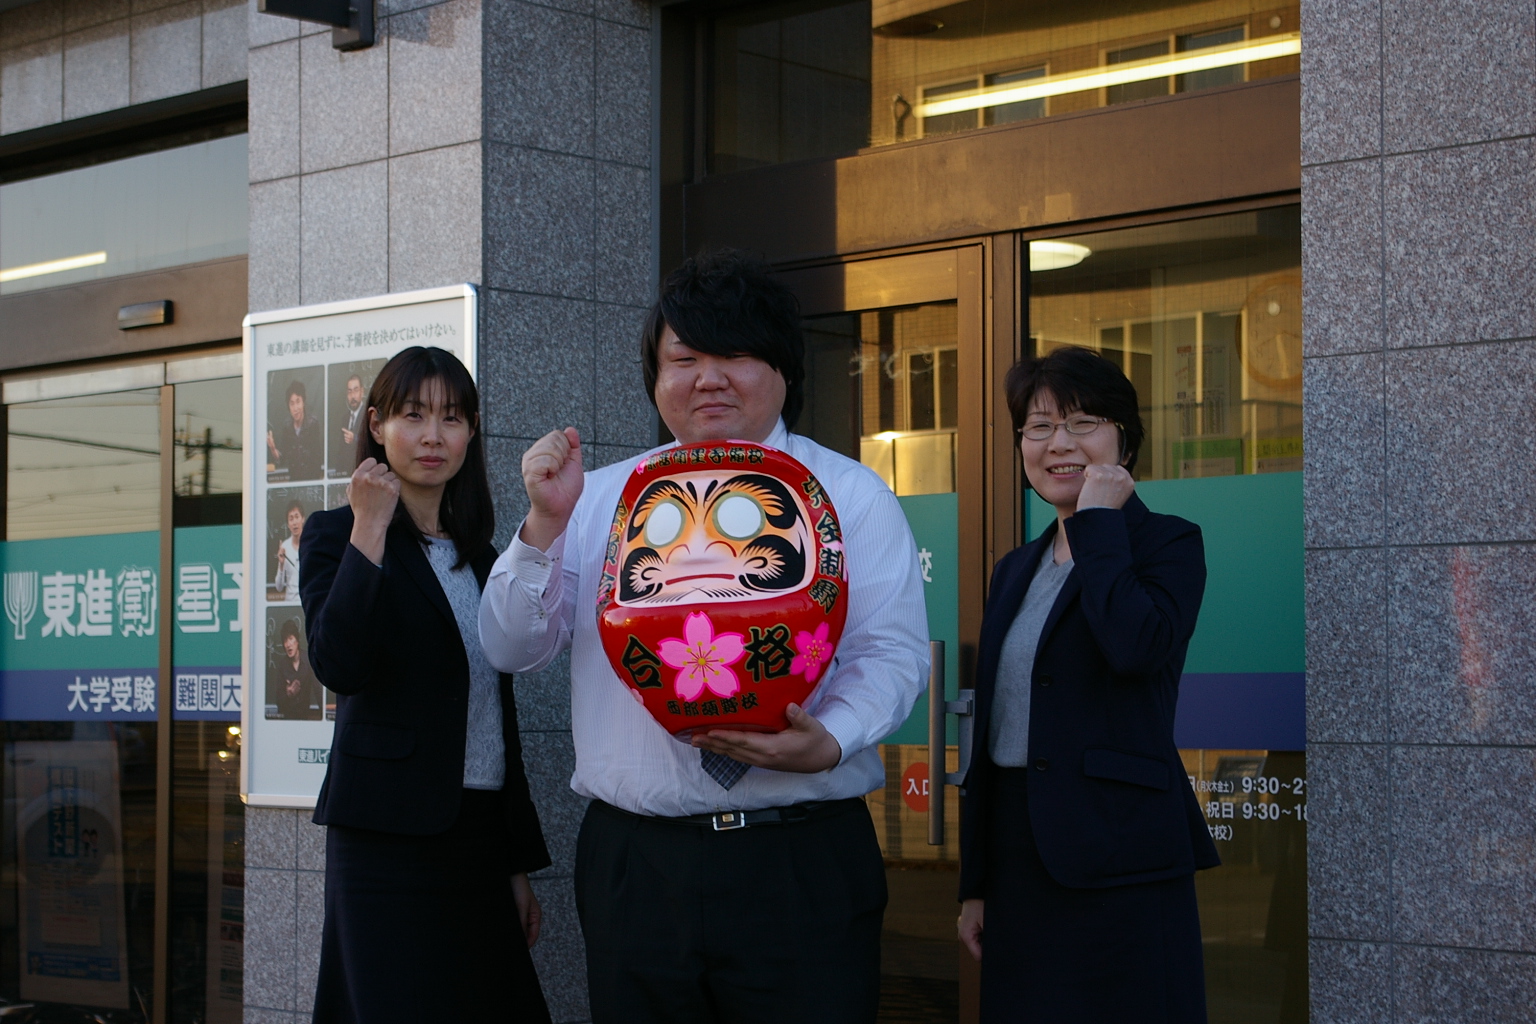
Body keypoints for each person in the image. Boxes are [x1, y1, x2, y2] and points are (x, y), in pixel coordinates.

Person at [480, 249, 929, 1024]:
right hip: (637, 864)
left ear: (783, 370)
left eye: (735, 355)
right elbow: (511, 647)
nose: (708, 379)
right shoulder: (600, 500)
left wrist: (832, 739)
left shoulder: (852, 494)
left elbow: (890, 652)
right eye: (684, 359)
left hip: (800, 856)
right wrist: (545, 525)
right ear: (656, 379)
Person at [955, 345, 1218, 1023]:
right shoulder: (1015, 568)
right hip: (1019, 859)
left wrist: (1099, 522)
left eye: (1082, 423)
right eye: (1039, 427)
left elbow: (1136, 648)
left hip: (1119, 855)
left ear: (1124, 439)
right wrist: (976, 881)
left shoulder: (1169, 543)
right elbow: (996, 729)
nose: (1058, 444)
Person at [299, 346, 552, 1023]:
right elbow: (337, 662)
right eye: (413, 415)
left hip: (478, 839)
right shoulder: (335, 535)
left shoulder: (484, 558)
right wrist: (370, 526)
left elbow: (496, 719)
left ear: (471, 432)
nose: (433, 436)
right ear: (377, 425)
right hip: (384, 842)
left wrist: (514, 862)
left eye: (451, 418)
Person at [268, 379, 323, 480]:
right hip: (294, 481)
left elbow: (318, 460)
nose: (295, 408)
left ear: (303, 402)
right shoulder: (287, 427)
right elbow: (281, 460)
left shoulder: (313, 424)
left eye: (298, 402)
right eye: (292, 403)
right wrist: (273, 448)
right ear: (288, 406)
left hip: (311, 480)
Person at [267, 618, 321, 720]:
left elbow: (318, 691)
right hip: (287, 719)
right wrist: (288, 694)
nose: (288, 644)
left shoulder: (308, 660)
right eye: (285, 641)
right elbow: (278, 701)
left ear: (297, 640)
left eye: (291, 638)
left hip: (305, 719)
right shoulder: (282, 665)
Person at [273, 500, 304, 601]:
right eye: (291, 519)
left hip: (307, 602)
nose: (294, 522)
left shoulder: (310, 545)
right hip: (290, 603)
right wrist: (281, 564)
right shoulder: (285, 547)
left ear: (303, 519)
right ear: (287, 524)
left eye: (297, 517)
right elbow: (279, 587)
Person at [339, 372, 366, 448]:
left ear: (362, 392)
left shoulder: (368, 415)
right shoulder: (344, 418)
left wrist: (354, 439)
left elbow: (370, 442)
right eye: (349, 391)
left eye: (356, 390)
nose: (353, 396)